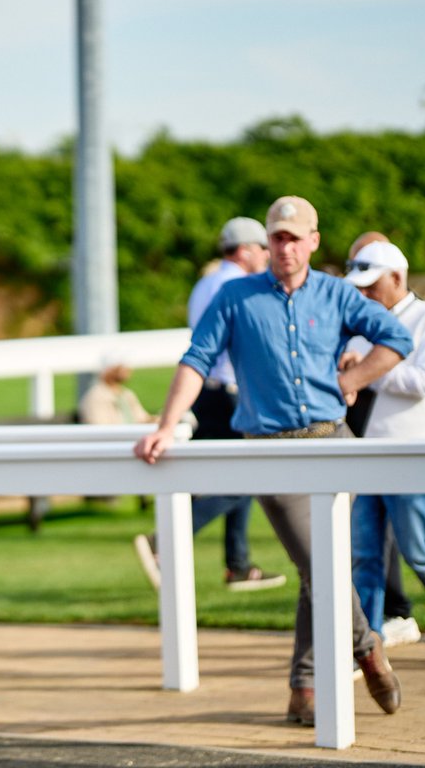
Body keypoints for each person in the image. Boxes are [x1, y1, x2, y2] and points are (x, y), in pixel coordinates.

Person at [133, 195, 412, 727]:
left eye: (293, 237)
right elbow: (196, 358)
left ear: (313, 241)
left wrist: (352, 378)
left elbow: (396, 338)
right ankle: (368, 647)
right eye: (275, 238)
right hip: (271, 448)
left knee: (320, 569)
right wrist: (167, 426)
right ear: (267, 241)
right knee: (318, 562)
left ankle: (303, 687)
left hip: (336, 441)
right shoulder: (236, 297)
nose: (283, 247)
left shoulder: (335, 294)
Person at [133, 218, 286, 592]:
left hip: (205, 391)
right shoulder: (237, 286)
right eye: (264, 249)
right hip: (226, 393)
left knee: (234, 474)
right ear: (247, 250)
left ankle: (238, 564)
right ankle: (162, 540)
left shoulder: (206, 282)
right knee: (243, 477)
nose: (268, 256)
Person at [341, 240, 425, 648]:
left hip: (410, 455)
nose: (366, 293)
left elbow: (421, 383)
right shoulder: (363, 326)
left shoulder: (424, 318)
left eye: (373, 284)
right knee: (365, 556)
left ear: (397, 277)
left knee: (419, 552)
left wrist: (371, 370)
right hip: (366, 455)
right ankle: (367, 644)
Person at [79, 359, 154, 425]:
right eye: (122, 366)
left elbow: (142, 418)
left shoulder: (126, 394)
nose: (127, 369)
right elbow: (100, 428)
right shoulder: (96, 397)